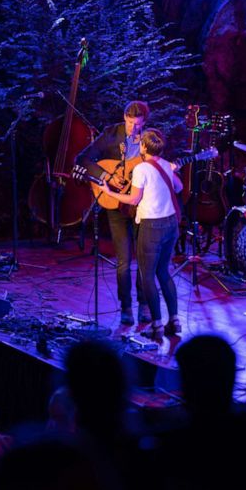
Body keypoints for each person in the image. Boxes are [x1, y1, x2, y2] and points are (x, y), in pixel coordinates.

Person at [99, 128, 182, 338]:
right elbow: (179, 188)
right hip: (171, 224)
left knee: (147, 276)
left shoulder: (142, 169)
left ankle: (156, 326)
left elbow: (134, 199)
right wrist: (172, 172)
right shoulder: (165, 165)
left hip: (152, 226)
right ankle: (175, 320)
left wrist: (110, 192)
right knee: (163, 272)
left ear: (144, 147)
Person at [75, 101, 151, 325]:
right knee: (124, 261)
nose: (132, 129)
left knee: (144, 259)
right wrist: (106, 177)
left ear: (144, 123)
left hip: (141, 205)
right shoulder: (111, 134)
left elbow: (159, 166)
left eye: (137, 125)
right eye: (129, 123)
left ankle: (144, 304)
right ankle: (126, 306)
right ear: (124, 117)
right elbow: (82, 159)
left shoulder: (149, 139)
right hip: (115, 203)